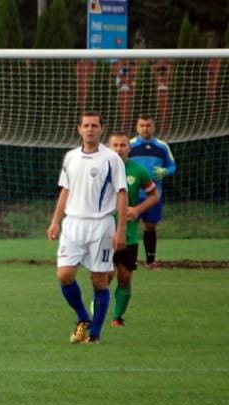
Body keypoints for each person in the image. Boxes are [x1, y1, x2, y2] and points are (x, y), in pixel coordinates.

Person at [47, 112, 127, 345]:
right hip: (72, 224)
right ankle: (84, 318)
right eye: (86, 125)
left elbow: (122, 194)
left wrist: (120, 229)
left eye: (94, 125)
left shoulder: (112, 159)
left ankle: (95, 335)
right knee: (64, 275)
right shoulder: (71, 157)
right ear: (79, 129)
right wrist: (55, 221)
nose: (90, 129)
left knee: (99, 280)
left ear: (102, 129)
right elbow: (65, 190)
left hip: (101, 225)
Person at [107, 132, 160, 327]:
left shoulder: (138, 170)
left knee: (124, 277)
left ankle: (117, 318)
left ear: (129, 148)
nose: (119, 149)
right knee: (104, 276)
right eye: (115, 145)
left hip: (129, 234)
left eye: (122, 145)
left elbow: (154, 195)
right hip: (104, 232)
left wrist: (137, 209)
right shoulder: (101, 168)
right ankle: (97, 315)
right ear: (109, 147)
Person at [129, 114, 176, 269]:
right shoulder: (130, 145)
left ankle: (150, 261)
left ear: (154, 127)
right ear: (137, 127)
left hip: (153, 195)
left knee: (150, 226)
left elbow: (172, 166)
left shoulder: (162, 146)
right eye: (142, 125)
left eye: (148, 125)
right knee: (131, 226)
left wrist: (164, 172)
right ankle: (131, 261)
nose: (145, 128)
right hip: (133, 194)